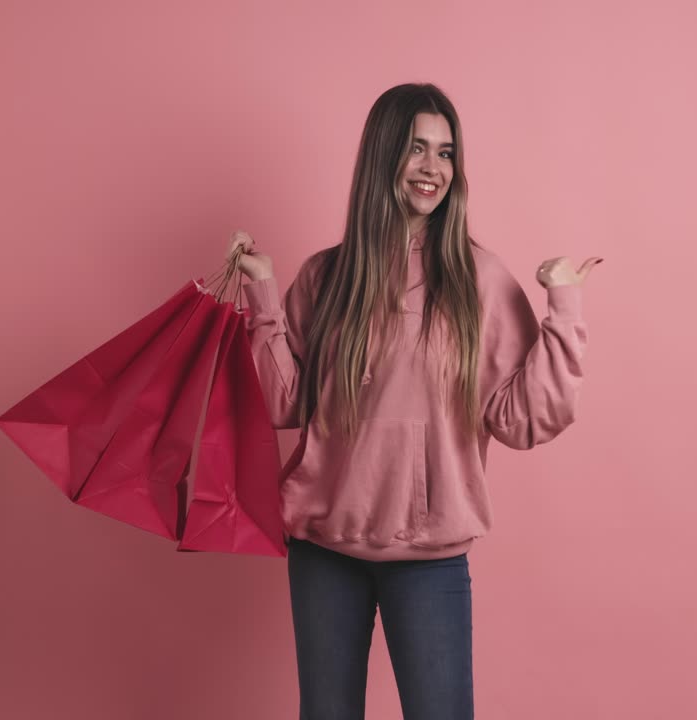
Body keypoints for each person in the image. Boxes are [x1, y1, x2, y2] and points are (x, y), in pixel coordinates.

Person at [224, 83, 601, 720]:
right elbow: (284, 404)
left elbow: (524, 417)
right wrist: (263, 297)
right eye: (417, 149)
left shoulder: (477, 280)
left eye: (446, 152)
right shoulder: (326, 276)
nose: (433, 169)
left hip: (429, 557)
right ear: (384, 157)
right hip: (324, 551)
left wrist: (562, 307)